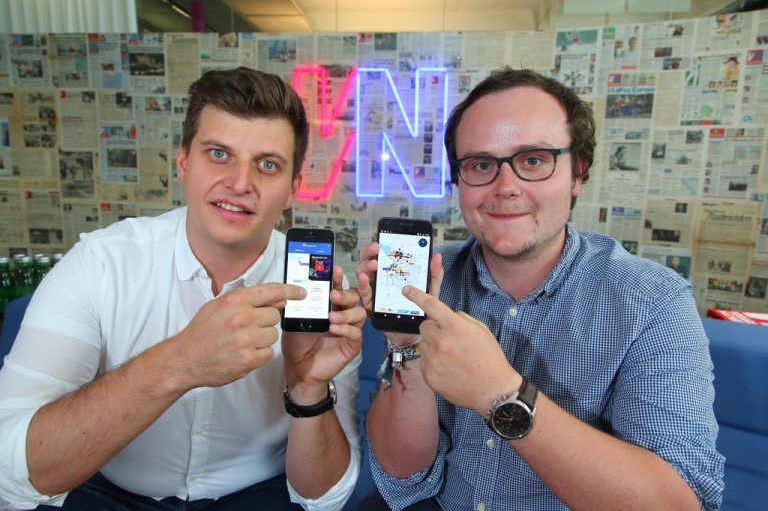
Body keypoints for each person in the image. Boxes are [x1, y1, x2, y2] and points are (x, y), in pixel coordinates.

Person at [356, 67, 723, 510]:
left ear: (577, 173)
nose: (505, 188)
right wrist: (407, 348)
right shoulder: (430, 280)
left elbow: (677, 504)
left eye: (533, 160)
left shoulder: (654, 302)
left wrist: (500, 393)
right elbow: (403, 474)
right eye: (481, 165)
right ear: (459, 181)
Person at [0, 68, 365, 510]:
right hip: (109, 488)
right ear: (183, 162)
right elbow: (11, 469)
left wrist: (307, 387)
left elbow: (325, 498)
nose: (239, 184)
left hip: (254, 495)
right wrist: (181, 362)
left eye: (267, 165)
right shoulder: (99, 263)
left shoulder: (317, 290)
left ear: (293, 188)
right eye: (218, 154)